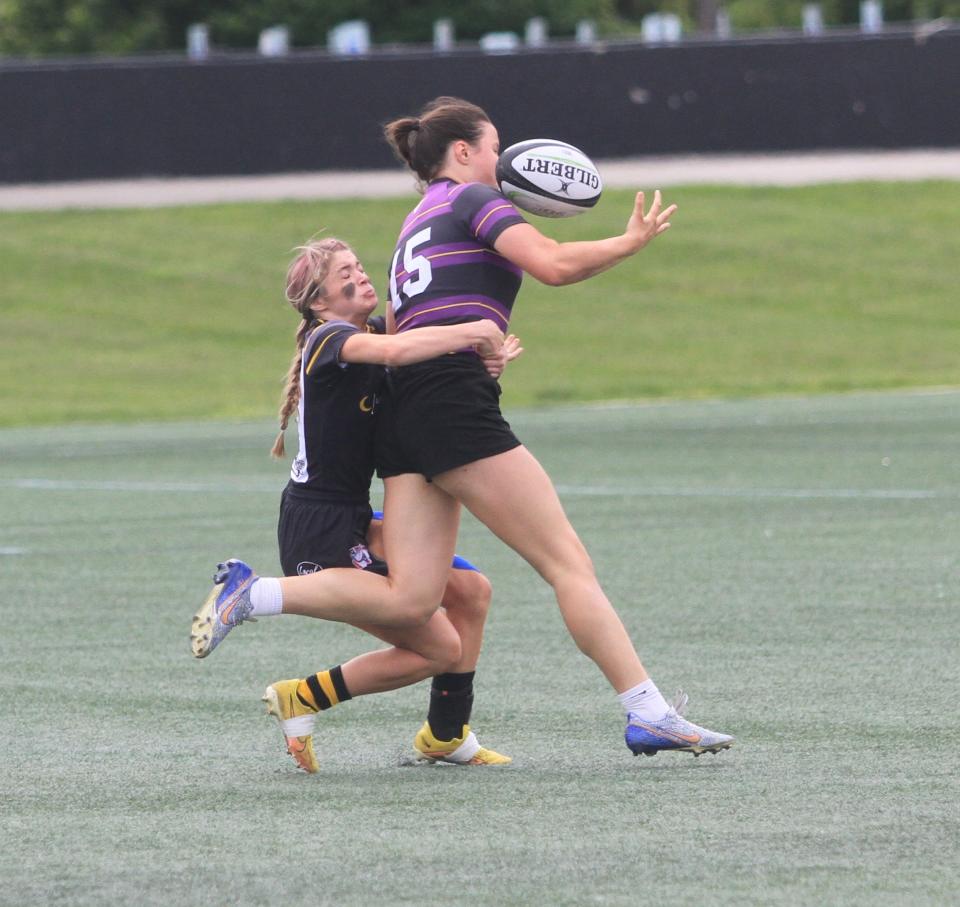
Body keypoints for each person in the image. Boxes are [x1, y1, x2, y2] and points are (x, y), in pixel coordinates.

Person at [197, 97, 733, 759]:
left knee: (416, 599)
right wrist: (631, 241)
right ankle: (646, 710)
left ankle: (279, 612)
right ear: (461, 153)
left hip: (409, 414)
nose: (500, 160)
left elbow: (414, 323)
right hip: (450, 407)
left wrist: (479, 352)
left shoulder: (415, 219)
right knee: (567, 563)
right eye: (493, 146)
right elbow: (556, 266)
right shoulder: (471, 200)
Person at [192, 237, 518, 771]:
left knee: (472, 593)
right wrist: (475, 330)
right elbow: (398, 352)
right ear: (319, 302)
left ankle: (438, 732)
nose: (362, 276)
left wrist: (482, 370)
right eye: (346, 274)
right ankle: (254, 594)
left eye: (360, 267)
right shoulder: (329, 338)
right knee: (438, 648)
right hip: (317, 526)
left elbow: (415, 376)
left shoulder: (371, 332)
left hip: (355, 518)